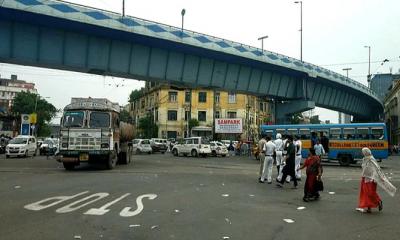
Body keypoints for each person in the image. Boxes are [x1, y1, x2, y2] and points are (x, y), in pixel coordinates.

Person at [356, 148, 397, 213]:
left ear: (366, 152)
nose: (362, 153)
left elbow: (376, 169)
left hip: (371, 179)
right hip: (365, 178)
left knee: (370, 192)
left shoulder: (371, 159)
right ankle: (369, 208)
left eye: (363, 152)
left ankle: (378, 201)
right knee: (365, 193)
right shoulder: (365, 159)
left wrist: (377, 177)